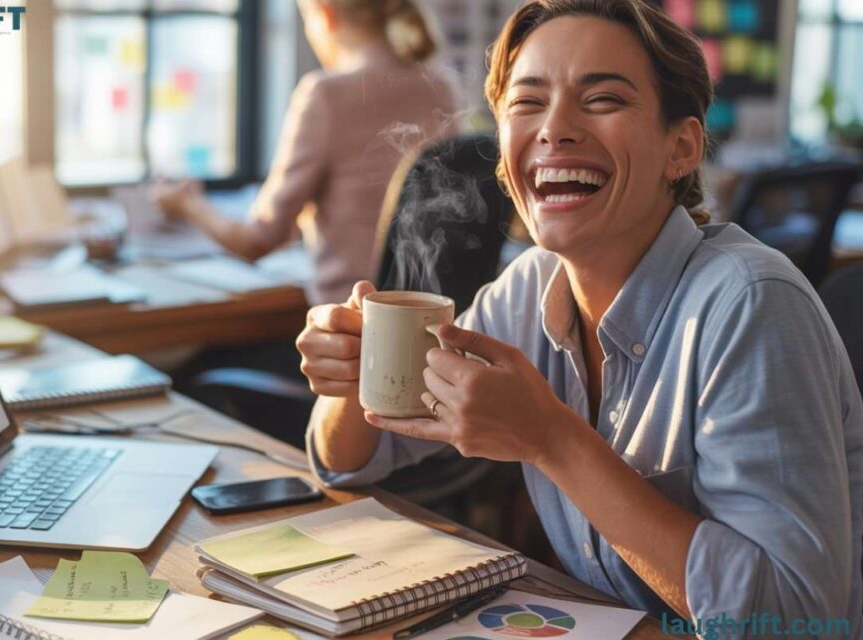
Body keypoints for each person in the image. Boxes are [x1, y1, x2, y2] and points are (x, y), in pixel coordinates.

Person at [296, 0, 863, 634]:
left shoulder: (749, 303)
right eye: (527, 103)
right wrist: (352, 378)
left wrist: (552, 439)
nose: (555, 128)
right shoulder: (529, 288)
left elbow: (788, 618)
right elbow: (354, 458)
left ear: (681, 148)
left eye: (603, 100)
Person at [157, 0, 460, 306]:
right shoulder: (442, 87)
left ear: (325, 15)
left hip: (351, 324)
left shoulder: (326, 94)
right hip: (429, 318)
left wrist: (187, 203)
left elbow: (258, 240)